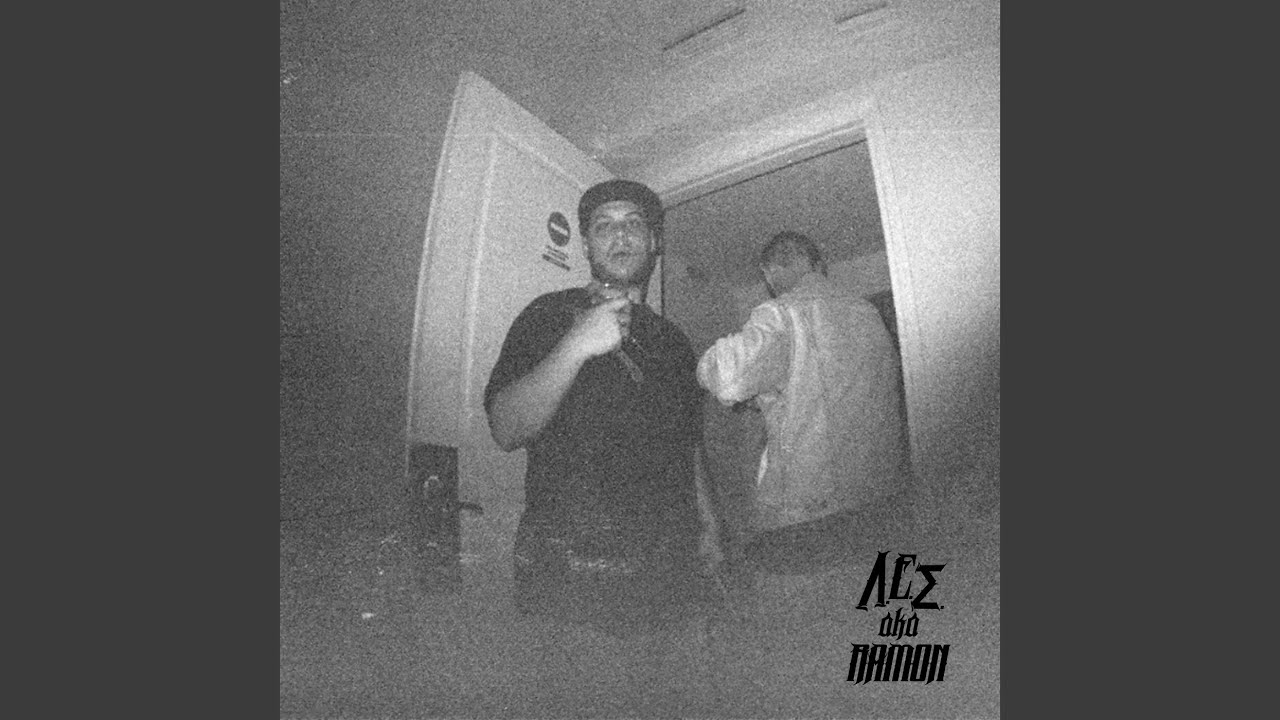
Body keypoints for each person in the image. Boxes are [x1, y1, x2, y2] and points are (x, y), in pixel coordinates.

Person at [483, 179, 718, 640]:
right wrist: (576, 344)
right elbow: (505, 428)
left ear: (654, 242)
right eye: (604, 225)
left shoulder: (675, 342)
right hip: (571, 585)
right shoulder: (547, 314)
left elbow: (688, 444)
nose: (621, 234)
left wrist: (710, 527)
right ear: (587, 245)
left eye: (634, 223)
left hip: (671, 575)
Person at [696, 231, 910, 623]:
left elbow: (726, 376)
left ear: (770, 271)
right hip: (882, 509)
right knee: (871, 630)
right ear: (818, 264)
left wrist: (704, 363)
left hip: (808, 523)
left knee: (804, 643)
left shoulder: (782, 312)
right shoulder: (870, 316)